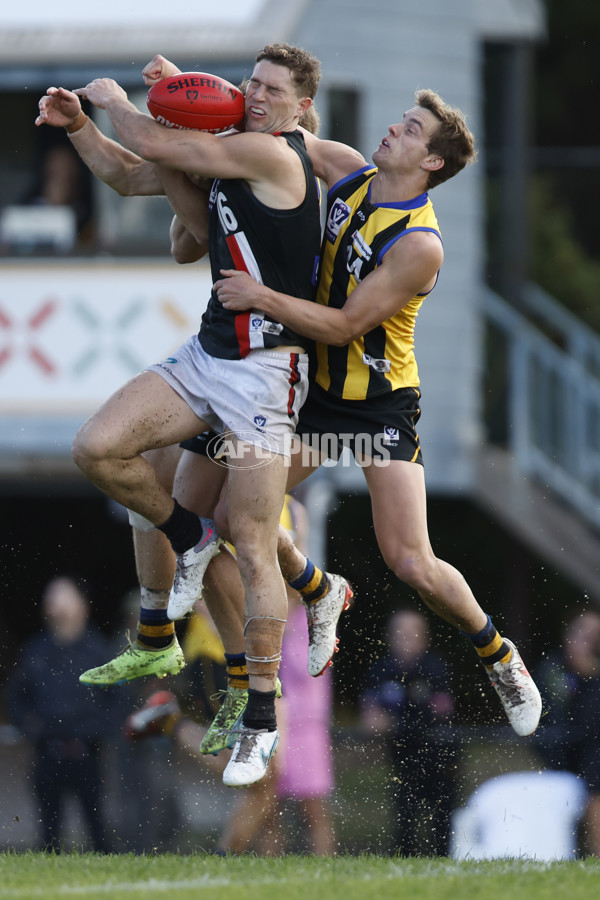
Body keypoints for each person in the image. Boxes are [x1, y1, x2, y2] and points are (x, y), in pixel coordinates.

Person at [35, 43, 342, 788]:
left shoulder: (274, 155)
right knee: (98, 448)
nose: (257, 95)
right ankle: (185, 545)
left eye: (273, 89)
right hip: (209, 354)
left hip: (270, 371)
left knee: (252, 540)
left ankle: (262, 719)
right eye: (251, 84)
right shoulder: (226, 151)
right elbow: (129, 167)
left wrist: (114, 97)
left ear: (300, 108)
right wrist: (80, 124)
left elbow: (151, 141)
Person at [211, 87, 543, 738]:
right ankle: (317, 586)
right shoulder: (348, 174)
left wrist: (260, 296)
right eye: (401, 120)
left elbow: (343, 326)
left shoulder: (421, 244)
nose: (394, 129)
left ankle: (498, 654)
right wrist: (189, 89)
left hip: (378, 408)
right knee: (229, 516)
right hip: (315, 395)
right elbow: (280, 128)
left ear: (432, 164)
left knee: (411, 561)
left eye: (411, 129)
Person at [6, 577, 116, 852]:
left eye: (64, 597)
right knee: (49, 832)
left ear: (83, 605)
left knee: (98, 828)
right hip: (47, 753)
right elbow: (16, 698)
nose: (56, 604)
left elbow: (118, 702)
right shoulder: (35, 651)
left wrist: (94, 729)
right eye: (51, 597)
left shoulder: (99, 651)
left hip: (88, 754)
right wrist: (32, 727)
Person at [359, 609, 457, 856]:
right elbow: (371, 716)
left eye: (413, 633)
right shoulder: (381, 668)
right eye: (400, 633)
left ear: (425, 637)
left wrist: (397, 720)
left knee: (443, 820)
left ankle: (444, 862)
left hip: (440, 758)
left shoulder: (436, 667)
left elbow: (444, 710)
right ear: (390, 637)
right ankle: (405, 859)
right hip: (402, 757)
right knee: (405, 817)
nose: (406, 639)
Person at [534, 610, 600, 856]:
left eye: (594, 635)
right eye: (582, 632)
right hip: (559, 755)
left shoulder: (595, 671)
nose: (588, 640)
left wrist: (591, 677)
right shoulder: (552, 669)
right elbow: (542, 715)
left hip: (593, 753)